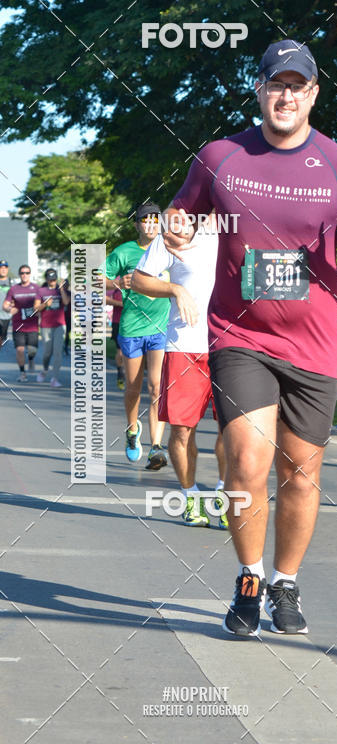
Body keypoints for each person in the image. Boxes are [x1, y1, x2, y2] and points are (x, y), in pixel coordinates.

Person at [162, 38, 337, 637]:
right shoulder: (220, 156)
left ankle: (286, 581)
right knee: (246, 458)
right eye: (276, 83)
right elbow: (180, 215)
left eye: (298, 85)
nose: (286, 95)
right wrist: (177, 230)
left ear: (314, 94)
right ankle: (249, 576)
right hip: (240, 334)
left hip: (315, 343)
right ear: (259, 88)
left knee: (300, 472)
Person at [132, 213, 227, 527]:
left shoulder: (240, 230)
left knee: (235, 430)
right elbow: (140, 279)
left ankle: (224, 493)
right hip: (184, 344)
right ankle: (190, 497)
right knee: (183, 431)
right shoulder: (175, 232)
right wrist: (175, 289)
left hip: (232, 346)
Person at [104, 203, 171, 470]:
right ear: (137, 225)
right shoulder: (125, 252)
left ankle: (156, 446)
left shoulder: (170, 249)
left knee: (156, 386)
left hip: (161, 328)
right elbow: (96, 279)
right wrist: (118, 283)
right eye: (146, 220)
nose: (152, 225)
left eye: (156, 220)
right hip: (132, 328)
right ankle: (132, 431)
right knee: (133, 388)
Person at [2, 264, 40, 381]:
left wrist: (39, 309)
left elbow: (40, 303)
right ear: (19, 275)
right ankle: (22, 373)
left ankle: (31, 358)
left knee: (32, 350)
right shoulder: (13, 289)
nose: (24, 275)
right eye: (22, 273)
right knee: (20, 349)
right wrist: (9, 309)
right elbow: (5, 305)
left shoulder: (36, 288)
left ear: (30, 274)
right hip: (18, 325)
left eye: (27, 273)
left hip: (32, 325)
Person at [35, 268, 70, 387]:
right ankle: (44, 370)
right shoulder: (41, 291)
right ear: (47, 279)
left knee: (58, 352)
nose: (52, 282)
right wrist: (45, 304)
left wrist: (61, 289)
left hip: (60, 324)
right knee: (47, 353)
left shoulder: (61, 290)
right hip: (46, 326)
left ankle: (55, 378)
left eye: (54, 279)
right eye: (50, 280)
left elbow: (66, 302)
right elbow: (36, 308)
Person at [106, 285, 125, 389]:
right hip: (118, 322)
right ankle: (120, 375)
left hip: (135, 323)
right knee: (120, 351)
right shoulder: (115, 280)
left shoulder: (137, 276)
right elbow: (104, 298)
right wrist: (121, 304)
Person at [0, 259, 13, 349]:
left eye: (5, 268)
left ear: (8, 269)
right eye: (1, 267)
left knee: (3, 338)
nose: (3, 269)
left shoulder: (11, 282)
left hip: (7, 315)